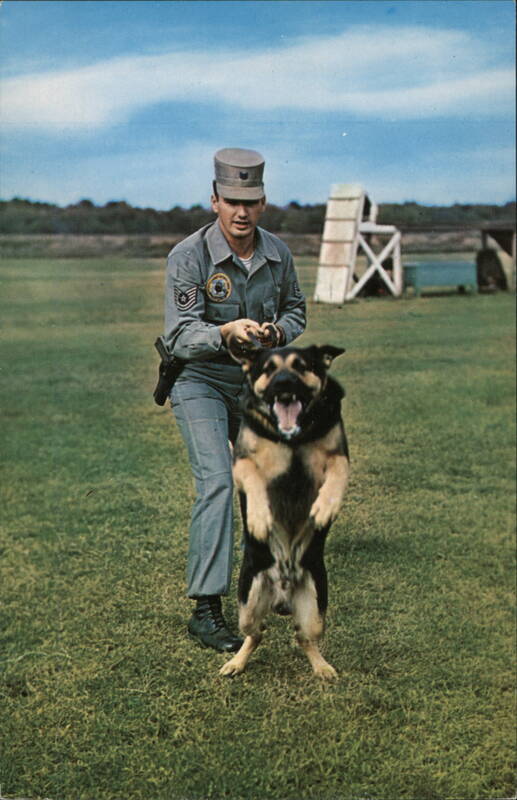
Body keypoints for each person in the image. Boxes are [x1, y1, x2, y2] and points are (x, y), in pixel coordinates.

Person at [164, 148, 306, 652]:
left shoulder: (278, 253)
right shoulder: (188, 256)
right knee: (218, 481)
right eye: (230, 201)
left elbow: (296, 310)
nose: (241, 212)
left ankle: (276, 581)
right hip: (199, 379)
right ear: (215, 201)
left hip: (253, 385)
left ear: (263, 203)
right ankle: (206, 609)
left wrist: (275, 330)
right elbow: (180, 334)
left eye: (250, 202)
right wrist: (224, 330)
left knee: (273, 476)